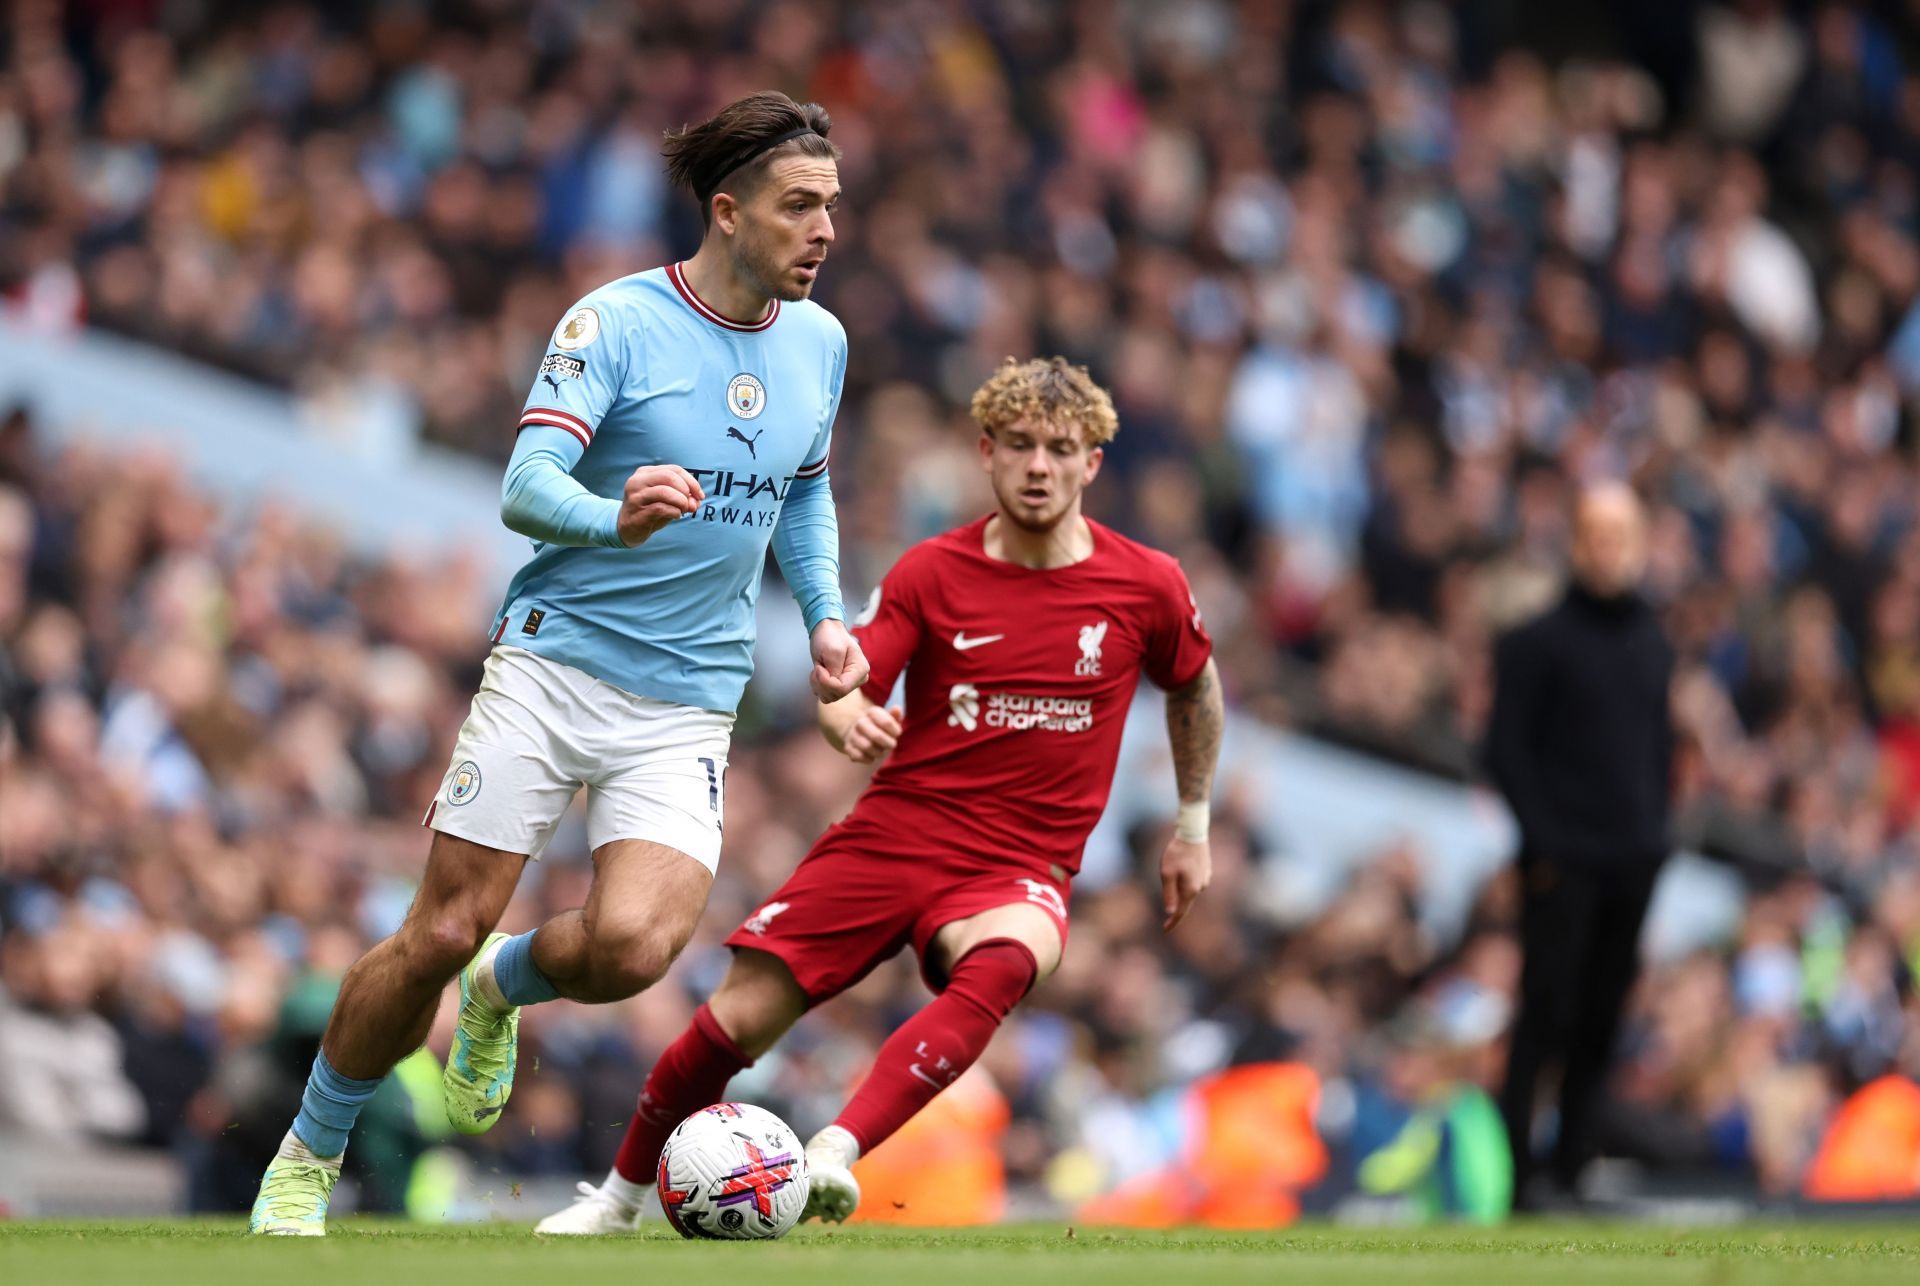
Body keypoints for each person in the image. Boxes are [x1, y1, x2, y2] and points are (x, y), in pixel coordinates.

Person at [249, 90, 870, 1235]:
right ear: (727, 213)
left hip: (690, 692)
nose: (825, 229)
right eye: (799, 207)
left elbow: (808, 488)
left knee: (634, 946)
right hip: (554, 664)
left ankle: (503, 985)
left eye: (831, 205)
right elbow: (524, 489)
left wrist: (826, 614)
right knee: (440, 925)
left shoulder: (821, 342)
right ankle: (310, 1146)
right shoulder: (615, 323)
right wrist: (610, 519)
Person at [536, 355, 1225, 1235]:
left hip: (1020, 862)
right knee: (735, 1020)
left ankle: (835, 1150)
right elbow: (849, 677)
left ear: (1094, 462)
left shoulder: (1147, 584)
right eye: (1019, 445)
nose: (1039, 466)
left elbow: (1195, 688)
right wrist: (846, 718)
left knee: (1009, 959)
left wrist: (1193, 824)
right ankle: (619, 1203)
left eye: (1061, 448)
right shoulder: (932, 571)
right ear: (987, 452)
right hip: (897, 833)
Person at [1484, 482, 1675, 1208]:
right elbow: (1506, 752)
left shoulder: (1651, 640)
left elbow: (1657, 751)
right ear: (1575, 541)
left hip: (1631, 862)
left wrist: (1656, 838)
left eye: (1622, 534)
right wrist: (1549, 843)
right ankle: (1522, 1176)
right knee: (1546, 1013)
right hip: (1564, 866)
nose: (1609, 548)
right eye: (1596, 533)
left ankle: (1571, 1167)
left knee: (1603, 1016)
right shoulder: (1536, 643)